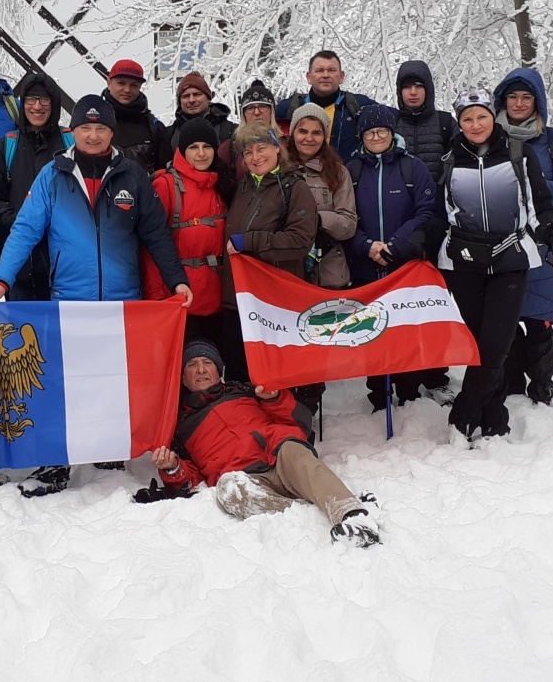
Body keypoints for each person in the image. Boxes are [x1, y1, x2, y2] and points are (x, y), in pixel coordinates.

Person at [0, 95, 192, 494]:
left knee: (113, 379)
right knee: (66, 381)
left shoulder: (132, 175)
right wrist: (1, 279)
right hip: (70, 301)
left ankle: (110, 446)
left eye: (101, 128)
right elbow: (25, 229)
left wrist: (177, 280)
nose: (93, 135)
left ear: (111, 132)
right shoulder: (53, 175)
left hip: (120, 301)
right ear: (73, 132)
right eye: (85, 128)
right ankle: (57, 460)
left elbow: (155, 234)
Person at [432, 89, 553, 440]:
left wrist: (552, 226)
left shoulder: (519, 154)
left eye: (481, 116)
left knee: (496, 344)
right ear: (460, 123)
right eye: (467, 119)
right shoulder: (450, 160)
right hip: (463, 261)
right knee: (479, 343)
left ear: (490, 118)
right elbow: (440, 213)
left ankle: (465, 412)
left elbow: (541, 201)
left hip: (510, 257)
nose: (475, 124)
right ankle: (494, 416)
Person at [149, 341, 382, 547]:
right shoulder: (179, 426)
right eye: (192, 365)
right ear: (182, 378)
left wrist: (275, 399)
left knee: (294, 450)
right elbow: (194, 481)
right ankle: (308, 510)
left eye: (207, 362)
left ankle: (354, 516)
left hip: (277, 455)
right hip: (245, 478)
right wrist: (173, 469)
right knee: (228, 488)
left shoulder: (246, 391)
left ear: (218, 371)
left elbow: (298, 423)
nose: (200, 369)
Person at [343, 104, 446, 411]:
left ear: (392, 133)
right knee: (373, 332)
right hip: (367, 267)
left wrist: (398, 244)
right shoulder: (352, 170)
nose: (376, 137)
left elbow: (427, 211)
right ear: (362, 136)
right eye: (370, 132)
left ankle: (409, 391)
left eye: (382, 132)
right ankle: (379, 394)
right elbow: (346, 217)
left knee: (405, 331)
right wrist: (367, 246)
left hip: (405, 267)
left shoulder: (411, 167)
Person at [494, 68, 553, 406]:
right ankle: (511, 376)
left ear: (537, 102)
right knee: (506, 313)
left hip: (542, 236)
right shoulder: (489, 136)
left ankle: (542, 380)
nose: (518, 103)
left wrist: (530, 186)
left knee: (539, 315)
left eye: (526, 97)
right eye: (512, 97)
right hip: (500, 236)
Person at [217, 122, 318, 385]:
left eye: (261, 148)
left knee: (272, 376)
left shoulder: (295, 188)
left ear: (277, 148)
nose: (255, 157)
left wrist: (250, 241)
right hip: (236, 299)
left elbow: (300, 240)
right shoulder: (244, 186)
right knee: (238, 373)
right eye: (248, 152)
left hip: (271, 301)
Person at [279, 103, 359, 418]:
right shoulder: (278, 166)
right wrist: (303, 224)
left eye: (316, 132)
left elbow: (348, 221)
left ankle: (309, 406)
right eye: (303, 130)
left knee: (316, 343)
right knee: (288, 343)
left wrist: (319, 223)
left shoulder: (337, 171)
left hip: (326, 269)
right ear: (292, 132)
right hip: (288, 268)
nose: (309, 138)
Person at [0, 70, 71, 301]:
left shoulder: (71, 145)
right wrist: (20, 220)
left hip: (64, 261)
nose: (37, 107)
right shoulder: (6, 147)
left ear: (54, 103)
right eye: (30, 99)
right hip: (19, 264)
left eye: (44, 100)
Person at [144, 117, 229, 345]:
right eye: (193, 147)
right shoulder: (166, 186)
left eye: (207, 146)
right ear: (182, 150)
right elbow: (152, 244)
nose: (201, 154)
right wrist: (158, 298)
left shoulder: (221, 184)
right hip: (180, 296)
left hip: (217, 297)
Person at [276, 51, 378, 162]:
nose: (325, 75)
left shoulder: (358, 105)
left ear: (341, 76)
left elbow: (395, 122)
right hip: (297, 177)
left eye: (331, 70)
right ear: (309, 77)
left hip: (346, 177)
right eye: (319, 70)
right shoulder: (287, 108)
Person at [102, 58, 170, 174]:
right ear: (109, 83)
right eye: (121, 83)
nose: (127, 90)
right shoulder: (91, 123)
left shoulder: (154, 128)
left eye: (134, 85)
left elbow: (165, 176)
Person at [392, 60, 456, 180]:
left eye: (419, 86)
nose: (413, 92)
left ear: (428, 89)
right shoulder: (391, 123)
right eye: (407, 87)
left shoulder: (445, 123)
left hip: (439, 197)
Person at [168, 71, 237, 156]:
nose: (191, 100)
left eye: (197, 94)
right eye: (186, 96)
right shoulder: (168, 134)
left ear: (208, 98)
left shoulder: (230, 131)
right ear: (179, 102)